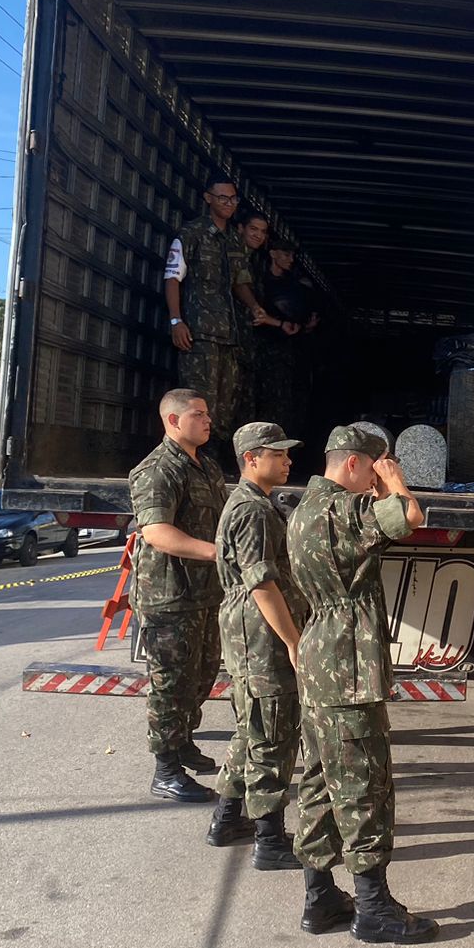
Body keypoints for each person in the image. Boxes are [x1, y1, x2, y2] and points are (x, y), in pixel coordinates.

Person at [287, 425, 438, 942]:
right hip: (347, 664)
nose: (376, 480)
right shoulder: (344, 510)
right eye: (373, 468)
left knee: (319, 779)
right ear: (353, 464)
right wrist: (396, 482)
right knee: (362, 784)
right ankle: (374, 909)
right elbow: (410, 517)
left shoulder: (303, 510)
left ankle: (320, 897)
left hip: (318, 656)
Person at [206, 422, 309, 869]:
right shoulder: (253, 511)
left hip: (252, 633)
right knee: (271, 734)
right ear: (251, 459)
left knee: (252, 729)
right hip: (261, 637)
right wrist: (293, 641)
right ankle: (269, 841)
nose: (288, 461)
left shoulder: (256, 503)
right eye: (278, 454)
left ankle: (227, 820)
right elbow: (262, 584)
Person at [128, 388, 229, 802]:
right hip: (169, 596)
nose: (208, 421)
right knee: (171, 684)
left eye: (207, 414)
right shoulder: (157, 471)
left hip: (204, 593)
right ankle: (166, 769)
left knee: (201, 675)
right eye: (198, 414)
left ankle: (184, 741)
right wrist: (218, 553)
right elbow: (157, 532)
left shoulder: (206, 466)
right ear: (173, 420)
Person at [164, 175, 274, 452]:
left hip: (230, 336)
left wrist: (254, 306)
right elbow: (173, 277)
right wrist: (176, 320)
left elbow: (240, 282)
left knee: (224, 408)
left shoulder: (235, 240)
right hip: (199, 334)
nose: (229, 203)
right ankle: (190, 460)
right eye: (223, 198)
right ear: (208, 198)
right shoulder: (192, 233)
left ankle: (211, 462)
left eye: (233, 199)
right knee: (198, 403)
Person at [248, 235, 318, 437]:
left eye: (292, 255)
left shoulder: (295, 285)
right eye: (286, 254)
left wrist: (304, 326)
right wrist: (279, 323)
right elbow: (254, 313)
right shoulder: (260, 281)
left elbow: (302, 317)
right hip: (260, 346)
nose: (291, 259)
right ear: (273, 253)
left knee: (281, 401)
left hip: (286, 350)